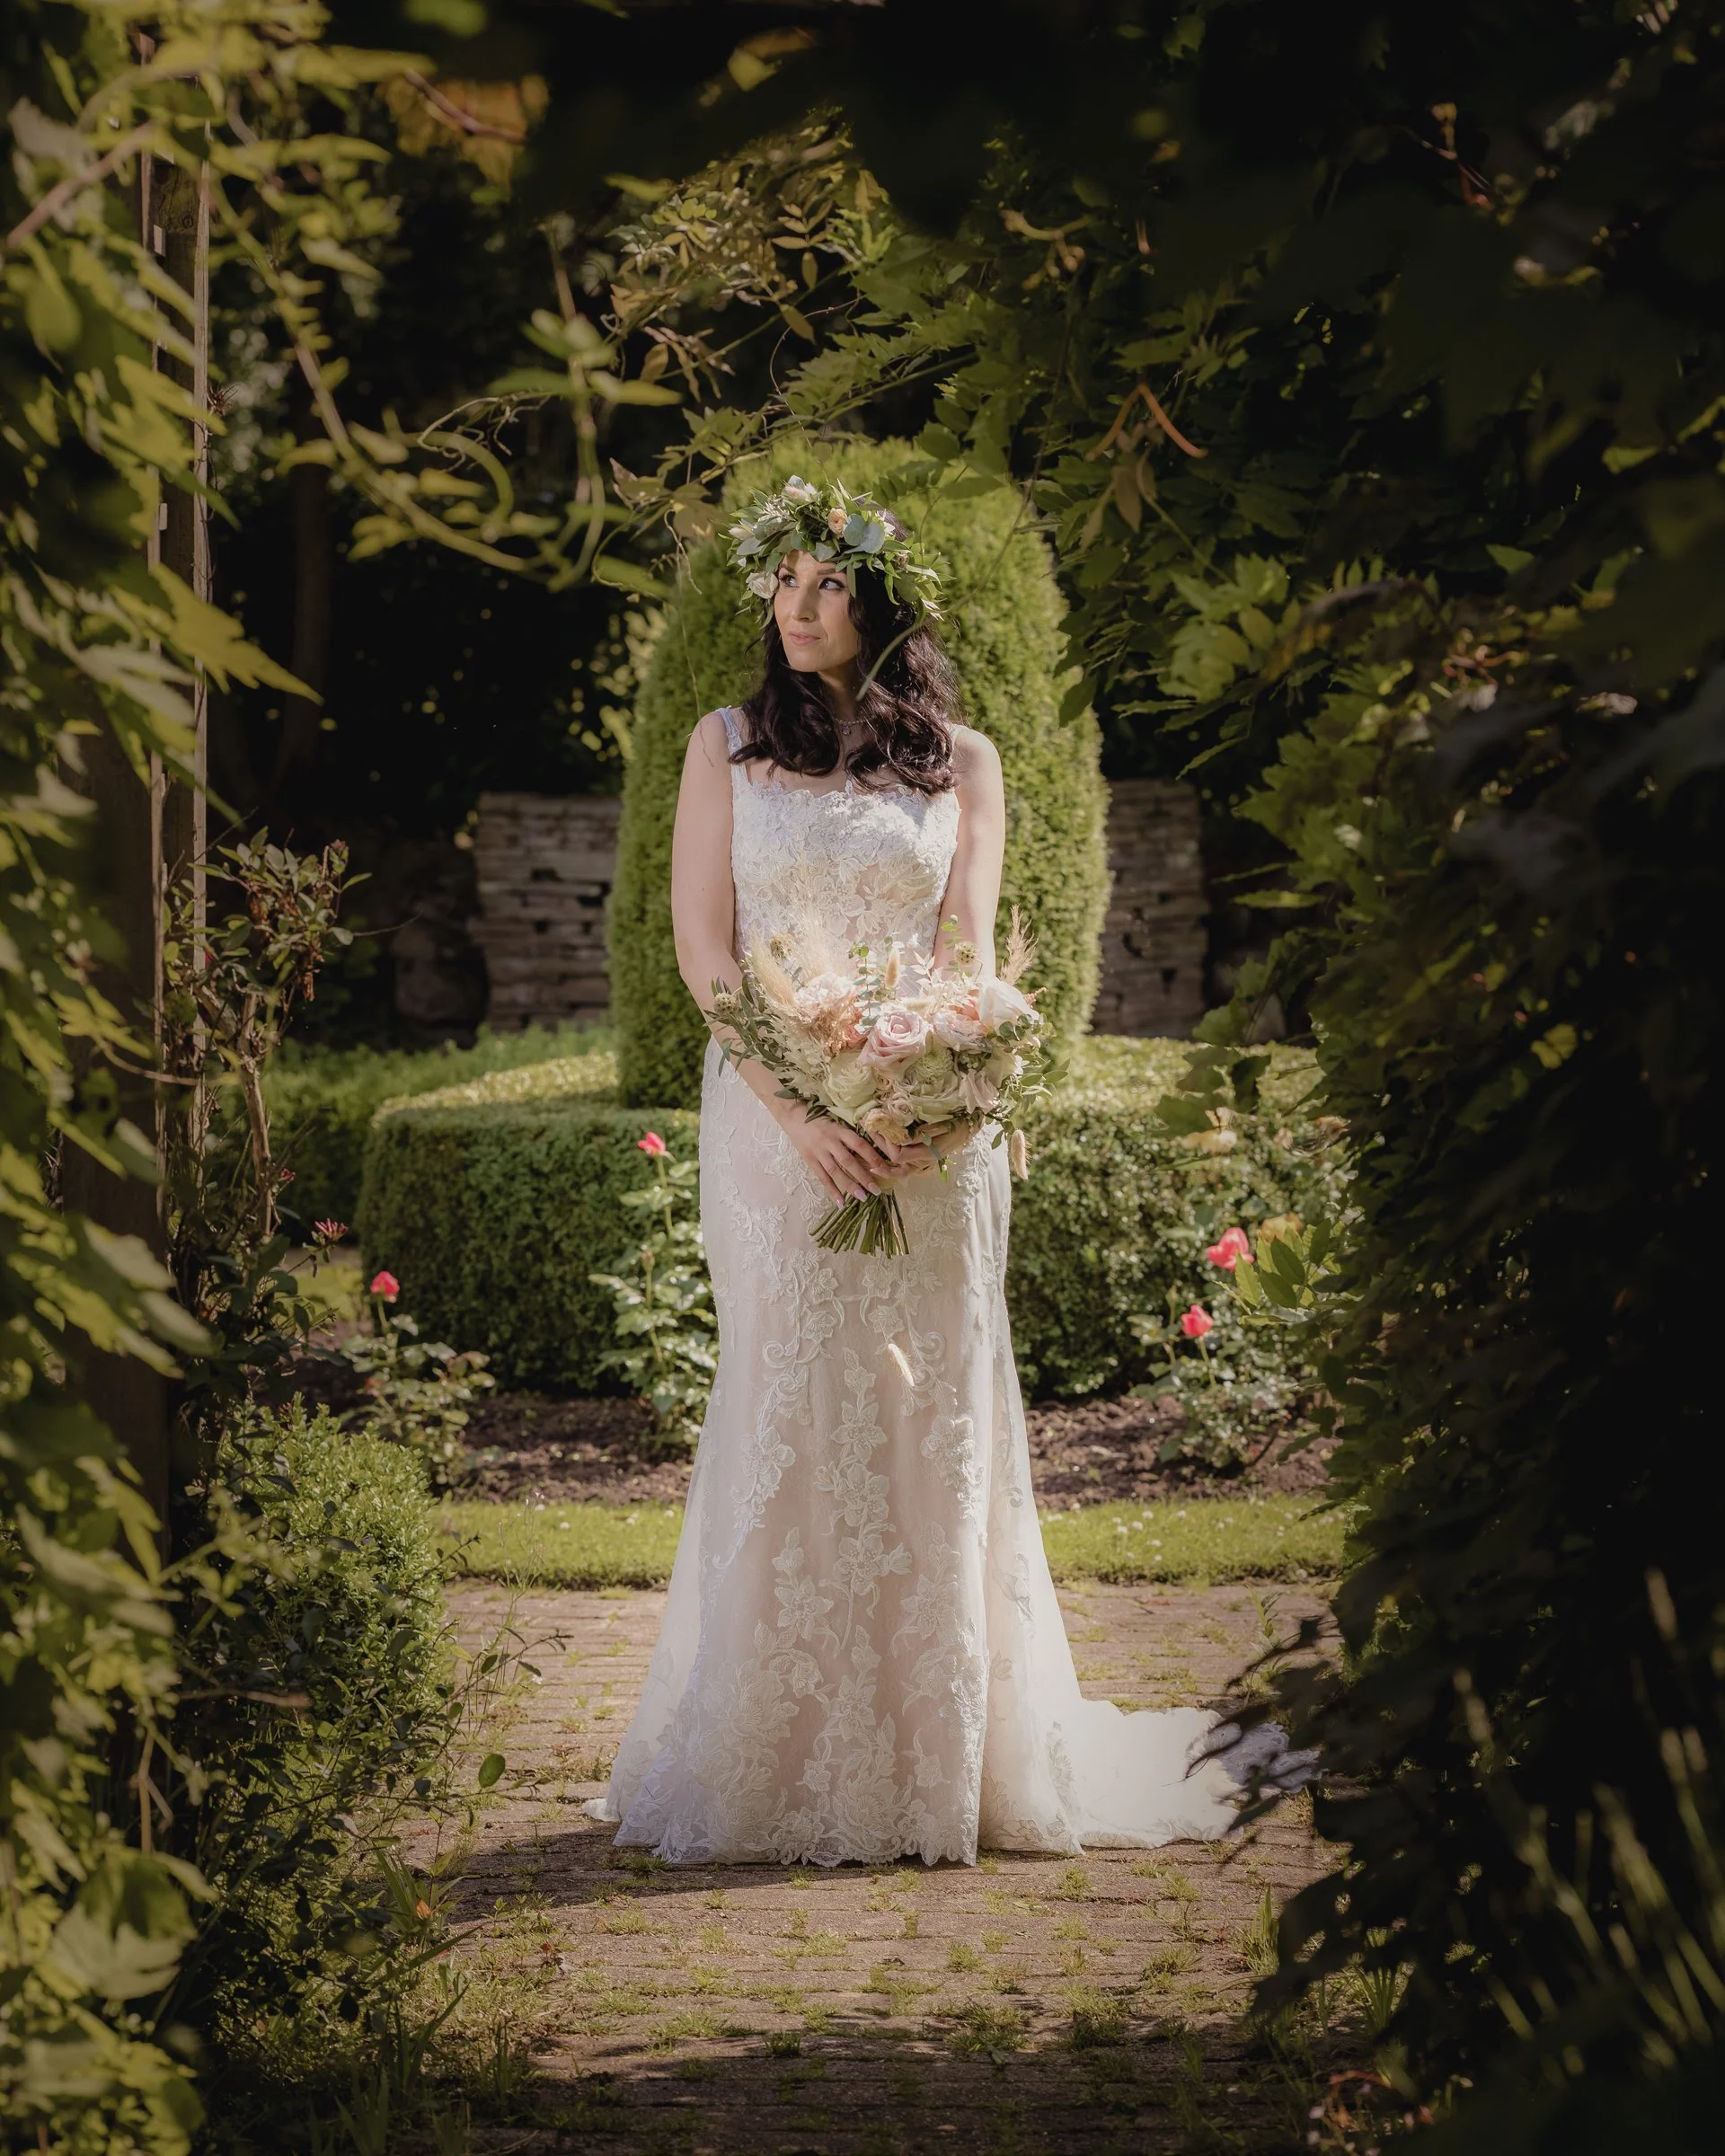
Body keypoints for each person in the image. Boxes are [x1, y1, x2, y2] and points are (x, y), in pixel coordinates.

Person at [584, 474, 1252, 1864]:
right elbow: (706, 956)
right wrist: (804, 1114)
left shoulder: (968, 762)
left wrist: (934, 1103)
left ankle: (946, 1757)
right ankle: (778, 1755)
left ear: (879, 602)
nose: (798, 607)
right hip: (779, 1130)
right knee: (794, 1396)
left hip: (933, 1139)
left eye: (828, 584)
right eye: (784, 584)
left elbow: (968, 965)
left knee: (933, 1417)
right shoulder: (724, 747)